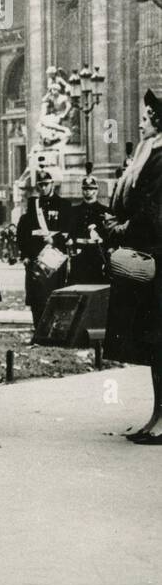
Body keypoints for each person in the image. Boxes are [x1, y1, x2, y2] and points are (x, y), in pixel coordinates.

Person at [102, 91, 162, 443]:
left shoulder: (158, 160)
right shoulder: (148, 155)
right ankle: (157, 414)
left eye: (146, 116)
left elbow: (151, 213)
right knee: (155, 346)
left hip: (155, 258)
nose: (140, 121)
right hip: (149, 258)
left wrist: (119, 230)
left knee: (160, 342)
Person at [17, 168, 69, 327]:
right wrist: (25, 255)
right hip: (35, 258)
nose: (43, 188)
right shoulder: (33, 205)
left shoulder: (63, 205)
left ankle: (53, 330)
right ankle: (38, 329)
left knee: (54, 294)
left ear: (52, 184)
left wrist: (54, 239)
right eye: (40, 185)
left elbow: (68, 230)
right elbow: (22, 232)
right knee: (37, 297)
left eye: (46, 184)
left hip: (55, 258)